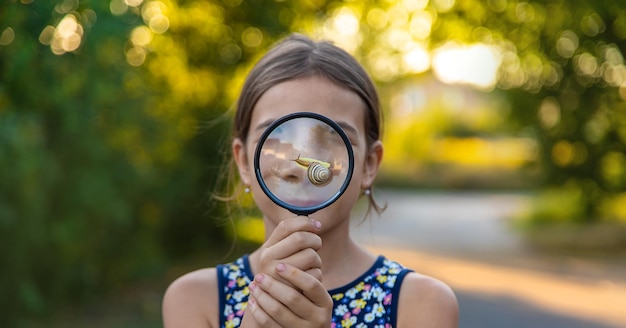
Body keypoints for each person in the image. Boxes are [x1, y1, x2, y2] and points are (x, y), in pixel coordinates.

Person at [162, 33, 459, 328]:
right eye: (276, 136)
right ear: (243, 161)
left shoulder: (423, 304)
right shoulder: (195, 300)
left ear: (369, 165)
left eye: (332, 136)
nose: (302, 166)